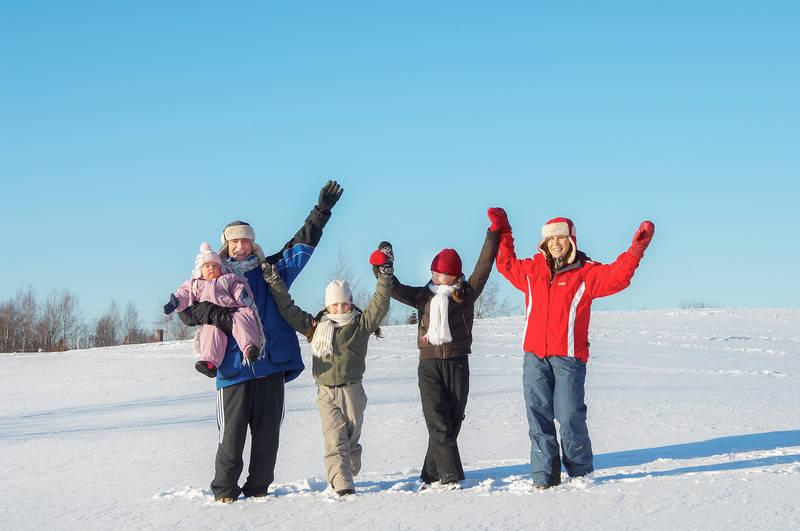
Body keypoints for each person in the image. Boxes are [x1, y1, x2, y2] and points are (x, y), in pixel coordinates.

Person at [178, 180, 343, 503]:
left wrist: (321, 211)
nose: (242, 246)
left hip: (271, 365)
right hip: (233, 369)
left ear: (254, 244)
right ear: (226, 245)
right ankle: (225, 490)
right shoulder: (213, 277)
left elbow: (302, 246)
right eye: (235, 241)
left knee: (268, 437)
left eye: (247, 241)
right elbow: (187, 310)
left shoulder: (272, 272)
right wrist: (219, 317)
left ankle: (259, 490)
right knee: (232, 437)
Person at [488, 208, 654, 489]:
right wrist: (503, 230)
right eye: (550, 239)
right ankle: (543, 477)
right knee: (538, 416)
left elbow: (617, 277)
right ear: (543, 243)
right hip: (535, 357)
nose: (555, 243)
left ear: (571, 240)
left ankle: (581, 474)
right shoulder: (531, 271)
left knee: (568, 416)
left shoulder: (586, 273)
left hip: (569, 358)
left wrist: (636, 249)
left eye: (561, 238)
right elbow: (505, 263)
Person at [370, 222, 500, 489]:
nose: (434, 276)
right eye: (433, 271)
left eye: (440, 273)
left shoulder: (466, 294)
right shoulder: (422, 296)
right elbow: (393, 287)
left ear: (453, 276)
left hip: (457, 362)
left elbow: (484, 266)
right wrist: (381, 267)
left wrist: (494, 232)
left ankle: (430, 475)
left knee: (452, 420)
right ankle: (451, 477)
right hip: (428, 364)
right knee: (437, 420)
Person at [261, 252, 393, 496]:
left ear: (351, 302)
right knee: (335, 440)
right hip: (325, 393)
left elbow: (380, 302)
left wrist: (385, 275)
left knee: (350, 443)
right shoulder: (316, 327)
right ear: (327, 305)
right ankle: (343, 485)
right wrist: (274, 282)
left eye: (344, 303)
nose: (340, 308)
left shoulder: (361, 325)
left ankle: (348, 468)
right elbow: (288, 309)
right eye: (335, 304)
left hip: (353, 391)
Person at [163, 242, 264, 378]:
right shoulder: (195, 283)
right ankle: (210, 363)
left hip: (232, 310)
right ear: (200, 269)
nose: (211, 269)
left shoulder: (227, 278)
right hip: (211, 318)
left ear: (220, 267)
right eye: (207, 266)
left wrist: (242, 296)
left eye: (215, 266)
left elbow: (237, 287)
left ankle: (250, 348)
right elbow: (184, 293)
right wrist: (175, 302)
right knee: (211, 334)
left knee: (244, 319)